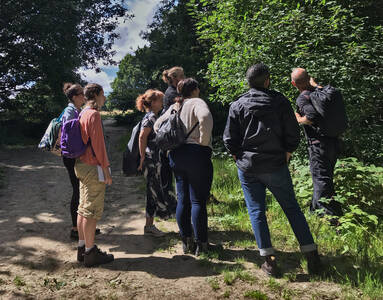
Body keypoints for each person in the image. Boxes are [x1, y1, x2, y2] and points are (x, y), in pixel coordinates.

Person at [223, 63, 321, 276]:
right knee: (292, 208)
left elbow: (230, 139)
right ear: (267, 81)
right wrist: (287, 151)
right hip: (276, 164)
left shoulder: (237, 105)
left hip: (249, 166)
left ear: (248, 82)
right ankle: (312, 257)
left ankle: (269, 261)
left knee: (256, 211)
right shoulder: (280, 101)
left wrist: (239, 157)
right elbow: (293, 132)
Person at [154, 78, 214, 256]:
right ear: (195, 89)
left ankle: (186, 241)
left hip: (176, 155)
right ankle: (202, 244)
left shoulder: (175, 106)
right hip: (196, 154)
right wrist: (203, 141)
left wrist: (172, 142)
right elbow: (204, 117)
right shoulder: (197, 102)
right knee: (197, 201)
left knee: (183, 200)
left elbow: (158, 125)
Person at [291, 68, 342, 218]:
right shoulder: (321, 93)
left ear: (294, 84)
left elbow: (311, 116)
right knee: (326, 178)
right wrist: (315, 84)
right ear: (310, 79)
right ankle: (314, 212)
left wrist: (299, 119)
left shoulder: (303, 97)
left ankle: (327, 218)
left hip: (318, 145)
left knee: (321, 180)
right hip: (334, 142)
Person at [74, 83, 113, 267]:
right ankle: (90, 253)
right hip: (92, 166)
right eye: (103, 94)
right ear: (96, 94)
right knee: (91, 212)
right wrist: (106, 170)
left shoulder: (82, 112)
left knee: (82, 208)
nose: (104, 98)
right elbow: (99, 146)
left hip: (80, 164)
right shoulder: (94, 114)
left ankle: (82, 248)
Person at [61, 83, 100, 240]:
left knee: (80, 191)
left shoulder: (74, 110)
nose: (84, 97)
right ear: (75, 97)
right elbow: (72, 136)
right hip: (71, 157)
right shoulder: (71, 111)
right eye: (81, 94)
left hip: (71, 156)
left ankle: (82, 228)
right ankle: (76, 229)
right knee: (78, 191)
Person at [136, 89, 176, 237]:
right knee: (152, 191)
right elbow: (142, 137)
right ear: (153, 103)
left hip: (153, 159)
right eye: (160, 100)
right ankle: (149, 226)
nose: (162, 102)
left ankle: (150, 224)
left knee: (153, 191)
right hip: (151, 160)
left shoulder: (151, 116)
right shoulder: (151, 117)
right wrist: (142, 157)